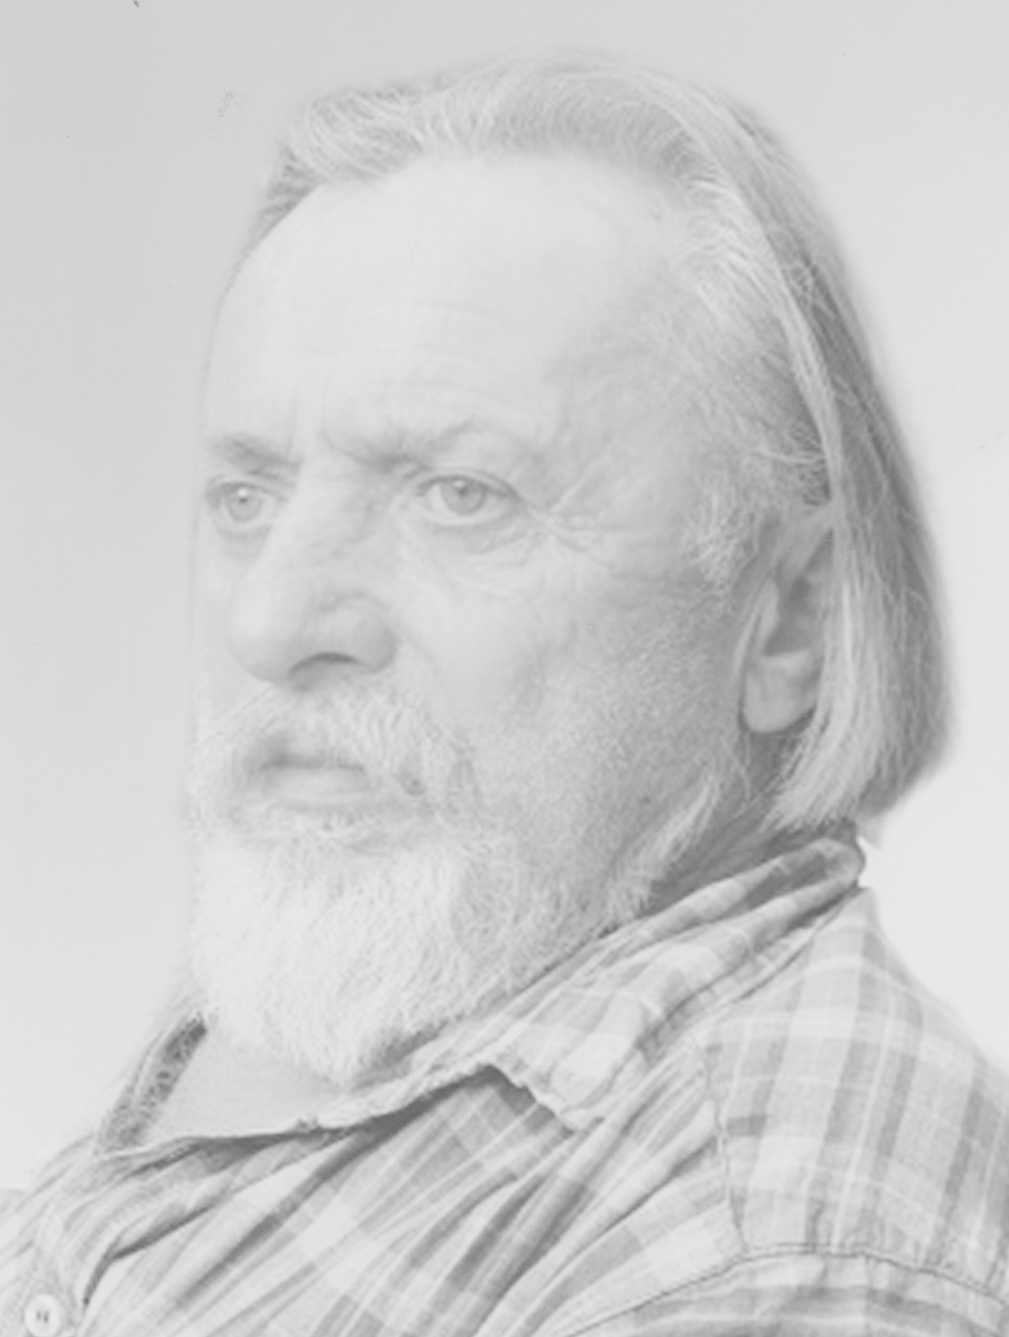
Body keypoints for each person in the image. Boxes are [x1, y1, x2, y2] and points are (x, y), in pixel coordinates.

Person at [2, 49, 1007, 1337]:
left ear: (791, 618)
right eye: (248, 496)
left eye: (459, 496)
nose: (269, 623)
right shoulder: (434, 949)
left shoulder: (777, 1245)